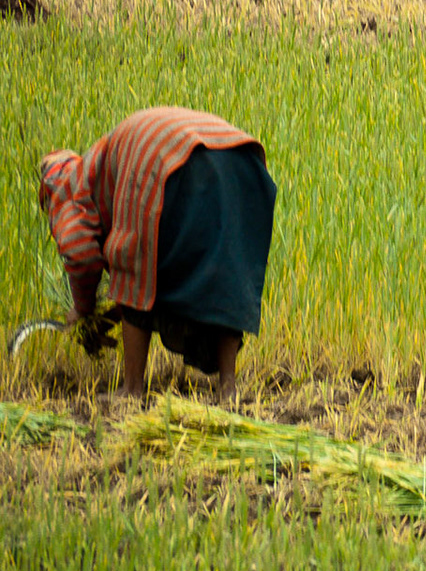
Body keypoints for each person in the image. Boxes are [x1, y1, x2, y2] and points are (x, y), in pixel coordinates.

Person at [38, 107, 277, 399]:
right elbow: (162, 281)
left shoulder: (63, 188)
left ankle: (132, 389)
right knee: (224, 270)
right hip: (240, 158)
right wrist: (108, 317)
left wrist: (83, 311)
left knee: (130, 259)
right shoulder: (99, 167)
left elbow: (81, 255)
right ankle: (229, 388)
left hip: (164, 156)